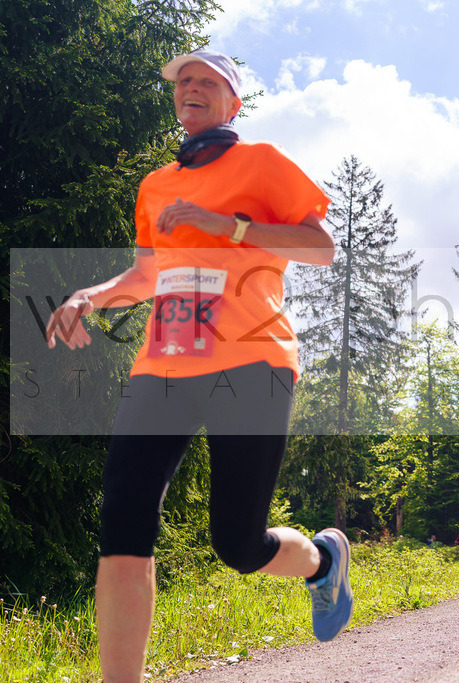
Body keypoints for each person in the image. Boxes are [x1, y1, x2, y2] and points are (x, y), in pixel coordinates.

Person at [43, 49, 350, 681]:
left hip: (252, 363)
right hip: (164, 365)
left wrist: (227, 226)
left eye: (207, 81)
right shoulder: (156, 185)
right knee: (123, 521)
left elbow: (322, 247)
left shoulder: (261, 163)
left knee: (238, 544)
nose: (192, 88)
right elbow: (147, 273)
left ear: (233, 102)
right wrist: (90, 297)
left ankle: (322, 562)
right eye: (183, 82)